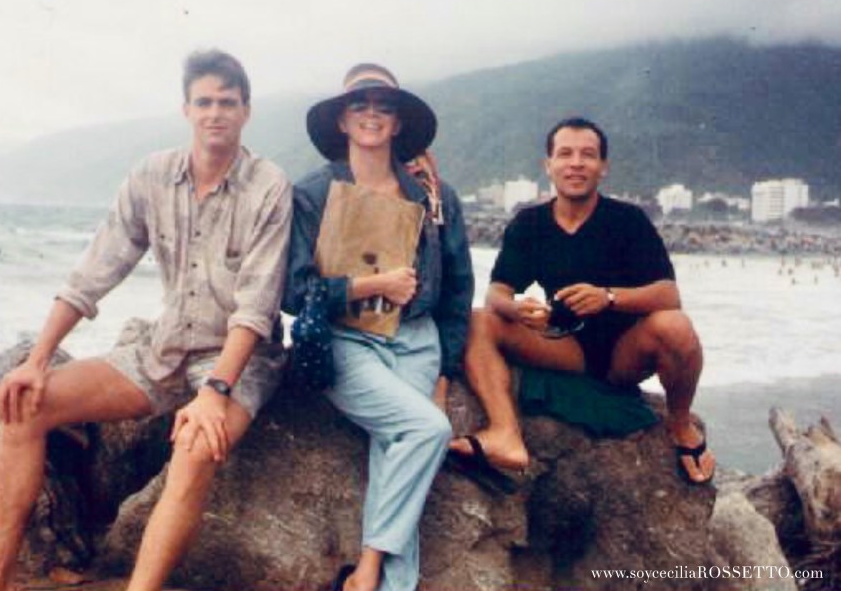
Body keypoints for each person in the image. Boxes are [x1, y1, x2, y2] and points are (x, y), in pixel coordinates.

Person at [0, 49, 292, 591]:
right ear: (186, 110)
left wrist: (215, 392)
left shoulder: (268, 185)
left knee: (196, 445)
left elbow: (256, 307)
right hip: (163, 349)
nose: (215, 113)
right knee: (26, 405)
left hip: (239, 361)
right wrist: (37, 360)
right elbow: (95, 271)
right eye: (204, 102)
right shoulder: (152, 176)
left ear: (246, 111)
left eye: (227, 102)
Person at [283, 64, 473, 591]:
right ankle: (368, 571)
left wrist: (445, 376)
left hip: (416, 341)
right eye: (359, 105)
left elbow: (457, 293)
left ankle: (379, 583)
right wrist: (372, 285)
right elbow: (293, 292)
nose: (371, 115)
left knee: (397, 447)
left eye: (384, 106)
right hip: (345, 339)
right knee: (426, 430)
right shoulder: (313, 193)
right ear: (342, 120)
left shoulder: (433, 196)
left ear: (398, 122)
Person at [450, 117, 715, 485]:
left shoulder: (628, 220)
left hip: (625, 352)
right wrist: (518, 309)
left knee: (676, 327)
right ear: (549, 165)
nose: (576, 163)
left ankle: (681, 424)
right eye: (565, 154)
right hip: (565, 346)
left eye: (588, 155)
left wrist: (608, 297)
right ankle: (505, 433)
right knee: (478, 320)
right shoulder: (529, 223)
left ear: (603, 167)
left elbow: (669, 296)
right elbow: (497, 293)